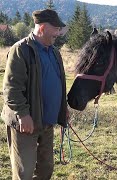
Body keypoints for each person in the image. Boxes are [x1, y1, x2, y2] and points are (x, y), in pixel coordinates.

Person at [1, 9, 69, 179]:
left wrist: (63, 109)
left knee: (46, 169)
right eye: (56, 28)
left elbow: (59, 83)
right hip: (26, 124)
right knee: (24, 172)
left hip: (47, 123)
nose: (58, 33)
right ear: (43, 27)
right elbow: (11, 88)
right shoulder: (21, 50)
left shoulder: (55, 52)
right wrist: (23, 115)